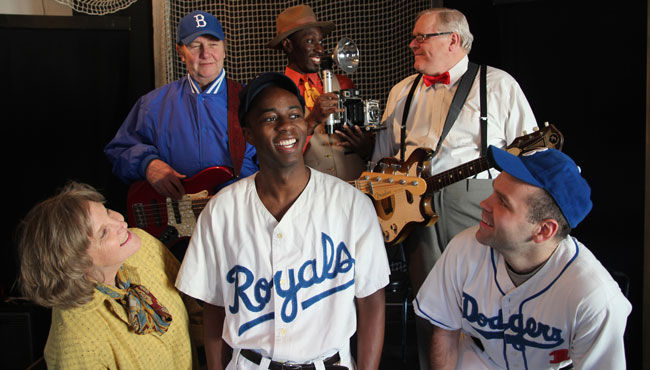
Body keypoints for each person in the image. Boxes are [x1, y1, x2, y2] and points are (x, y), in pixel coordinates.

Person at [175, 72, 389, 369]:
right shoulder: (221, 210)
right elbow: (215, 308)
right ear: (248, 133)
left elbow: (371, 301)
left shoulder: (352, 206)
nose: (286, 125)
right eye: (269, 118)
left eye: (294, 114)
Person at [369, 8, 538, 368]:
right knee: (430, 306)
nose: (412, 44)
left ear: (453, 40)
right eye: (413, 37)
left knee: (486, 301)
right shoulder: (402, 91)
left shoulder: (499, 85)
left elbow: (534, 156)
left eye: (421, 37)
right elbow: (381, 160)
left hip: (477, 204)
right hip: (414, 211)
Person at [414, 146, 631, 369]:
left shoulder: (594, 297)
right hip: (479, 358)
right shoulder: (464, 248)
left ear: (544, 231)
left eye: (503, 202)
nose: (484, 204)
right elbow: (446, 334)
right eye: (493, 191)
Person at [17, 182, 202, 369]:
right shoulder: (75, 346)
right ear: (75, 263)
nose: (120, 222)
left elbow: (193, 313)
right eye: (104, 233)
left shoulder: (142, 243)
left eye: (106, 211)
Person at [105, 10, 258, 200]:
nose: (206, 54)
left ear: (224, 48)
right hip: (177, 222)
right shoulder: (152, 104)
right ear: (181, 52)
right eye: (195, 46)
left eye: (213, 44)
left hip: (241, 216)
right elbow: (119, 150)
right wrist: (147, 164)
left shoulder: (252, 101)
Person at [267, 4, 372, 181]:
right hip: (309, 197)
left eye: (320, 42)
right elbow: (275, 158)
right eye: (309, 41)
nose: (320, 49)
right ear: (288, 45)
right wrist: (312, 120)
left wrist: (367, 147)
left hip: (354, 191)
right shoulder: (275, 95)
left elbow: (367, 144)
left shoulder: (344, 84)